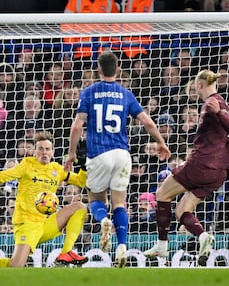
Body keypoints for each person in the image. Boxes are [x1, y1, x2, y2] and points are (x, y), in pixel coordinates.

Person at [64, 50, 171, 268]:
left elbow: (77, 126)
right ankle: (122, 246)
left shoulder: (89, 92)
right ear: (118, 70)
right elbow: (148, 122)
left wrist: (71, 153)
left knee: (96, 200)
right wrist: (161, 142)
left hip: (99, 154)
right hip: (122, 154)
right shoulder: (125, 94)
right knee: (120, 203)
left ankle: (104, 221)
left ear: (99, 69)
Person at [0, 131, 89, 267]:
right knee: (16, 266)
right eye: (40, 149)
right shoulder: (26, 165)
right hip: (27, 224)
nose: (44, 152)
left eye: (47, 149)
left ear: (52, 152)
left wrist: (83, 166)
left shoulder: (57, 169)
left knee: (80, 207)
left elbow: (81, 182)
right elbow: (1, 176)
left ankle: (67, 252)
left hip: (46, 224)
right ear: (34, 151)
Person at [144, 69, 229, 266]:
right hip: (219, 171)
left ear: (199, 85)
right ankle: (203, 236)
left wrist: (215, 111)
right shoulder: (225, 105)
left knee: (162, 194)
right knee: (182, 210)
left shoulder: (212, 103)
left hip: (201, 164)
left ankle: (161, 244)